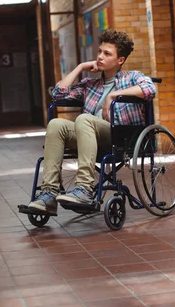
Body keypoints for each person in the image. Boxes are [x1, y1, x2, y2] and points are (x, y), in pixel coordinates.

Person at [28, 29, 156, 214]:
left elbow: (150, 89)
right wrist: (80, 67)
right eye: (100, 52)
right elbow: (58, 94)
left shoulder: (131, 77)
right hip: (88, 133)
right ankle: (49, 194)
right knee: (56, 124)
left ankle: (84, 188)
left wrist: (113, 95)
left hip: (119, 136)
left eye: (107, 53)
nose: (100, 57)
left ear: (120, 60)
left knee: (84, 119)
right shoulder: (90, 84)